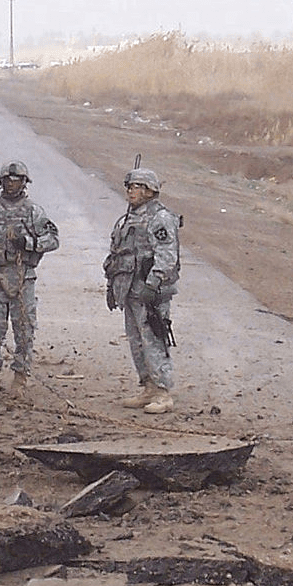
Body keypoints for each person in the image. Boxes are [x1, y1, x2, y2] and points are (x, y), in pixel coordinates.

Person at [0, 161, 61, 400]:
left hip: (21, 279)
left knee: (24, 329)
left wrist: (28, 243)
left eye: (17, 180)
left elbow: (53, 239)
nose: (12, 184)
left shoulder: (33, 211)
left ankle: (20, 377)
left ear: (24, 183)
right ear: (1, 182)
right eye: (8, 180)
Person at [104, 166, 180, 413]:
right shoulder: (129, 218)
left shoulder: (160, 218)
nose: (131, 191)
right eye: (130, 186)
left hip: (150, 293)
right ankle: (148, 386)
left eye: (137, 187)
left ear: (150, 191)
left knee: (153, 340)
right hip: (129, 289)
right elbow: (117, 253)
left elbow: (167, 256)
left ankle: (163, 392)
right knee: (137, 341)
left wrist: (153, 283)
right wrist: (112, 285)